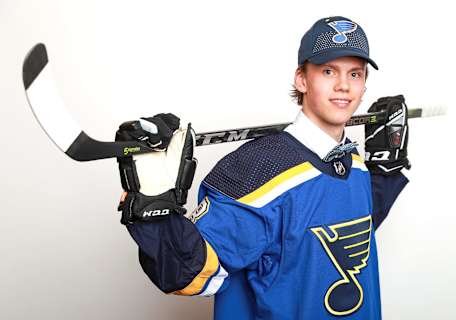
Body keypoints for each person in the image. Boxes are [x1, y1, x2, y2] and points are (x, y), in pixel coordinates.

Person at [115, 16, 410, 319]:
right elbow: (186, 272)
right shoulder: (257, 169)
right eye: (328, 71)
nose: (344, 86)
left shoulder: (354, 163)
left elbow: (348, 229)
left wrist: (385, 169)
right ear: (302, 79)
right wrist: (154, 209)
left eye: (355, 74)